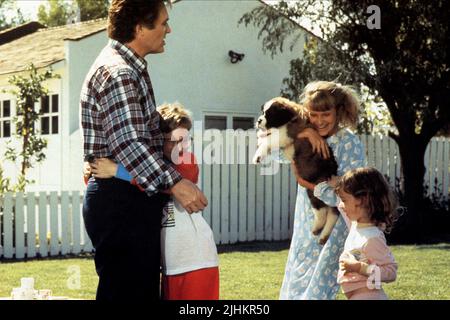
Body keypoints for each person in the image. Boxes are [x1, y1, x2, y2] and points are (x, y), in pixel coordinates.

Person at [80, 0, 207, 301]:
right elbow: (130, 143)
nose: (169, 29)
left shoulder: (129, 68)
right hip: (120, 203)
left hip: (125, 199)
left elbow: (142, 130)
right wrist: (176, 184)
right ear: (139, 27)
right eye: (163, 22)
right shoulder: (119, 72)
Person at [88, 103, 220, 300]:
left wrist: (116, 170)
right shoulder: (149, 166)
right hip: (170, 264)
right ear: (156, 140)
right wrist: (93, 168)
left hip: (196, 259)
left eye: (184, 140)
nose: (179, 148)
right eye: (170, 141)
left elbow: (155, 180)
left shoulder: (187, 163)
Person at [279, 81, 367, 300]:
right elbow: (271, 143)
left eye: (325, 114)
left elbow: (351, 191)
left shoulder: (349, 142)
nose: (319, 121)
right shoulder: (304, 136)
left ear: (338, 111)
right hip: (305, 225)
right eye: (313, 115)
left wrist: (311, 185)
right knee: (296, 282)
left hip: (334, 228)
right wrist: (307, 134)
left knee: (318, 289)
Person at [335, 167, 398, 300]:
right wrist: (335, 183)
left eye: (344, 200)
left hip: (369, 295)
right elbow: (340, 205)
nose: (341, 204)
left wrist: (360, 268)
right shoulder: (356, 225)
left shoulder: (372, 238)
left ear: (362, 200)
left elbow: (391, 273)